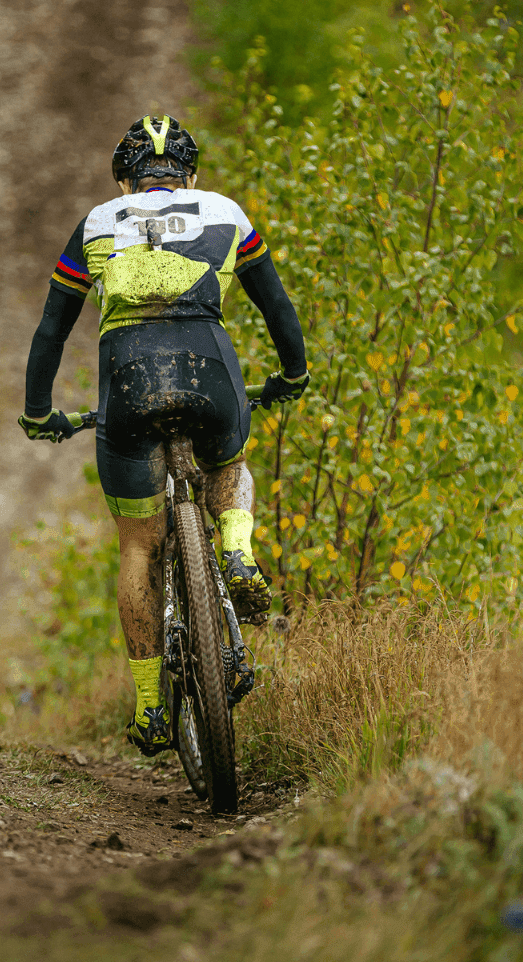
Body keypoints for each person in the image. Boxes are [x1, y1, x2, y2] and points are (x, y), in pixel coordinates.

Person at [18, 115, 309, 755]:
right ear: (190, 176)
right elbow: (277, 306)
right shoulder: (227, 212)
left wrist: (40, 412)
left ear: (124, 180)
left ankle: (151, 706)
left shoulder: (97, 222)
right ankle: (237, 550)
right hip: (212, 374)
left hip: (129, 384)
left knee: (138, 547)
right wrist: (293, 373)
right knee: (229, 465)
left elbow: (50, 331)